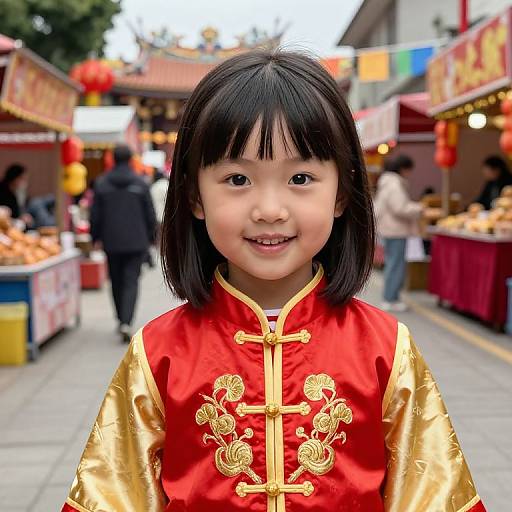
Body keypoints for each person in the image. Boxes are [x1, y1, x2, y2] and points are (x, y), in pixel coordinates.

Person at [62, 51, 485, 512]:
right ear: (194, 196)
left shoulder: (387, 347)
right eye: (237, 178)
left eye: (300, 177)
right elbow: (110, 496)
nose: (269, 209)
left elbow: (434, 496)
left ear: (342, 193)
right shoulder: (158, 352)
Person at [90, 144, 156, 342]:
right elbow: (150, 214)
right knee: (131, 280)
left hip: (111, 241)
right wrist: (151, 238)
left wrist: (95, 237)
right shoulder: (140, 183)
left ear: (112, 159)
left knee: (116, 280)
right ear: (129, 159)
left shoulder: (102, 184)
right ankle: (126, 321)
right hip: (136, 241)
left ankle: (120, 318)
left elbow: (95, 216)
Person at [374, 154, 423, 312]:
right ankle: (390, 298)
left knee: (392, 264)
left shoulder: (386, 182)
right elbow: (400, 208)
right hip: (396, 230)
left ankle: (390, 297)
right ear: (404, 169)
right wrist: (420, 208)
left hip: (390, 229)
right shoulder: (394, 184)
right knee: (396, 265)